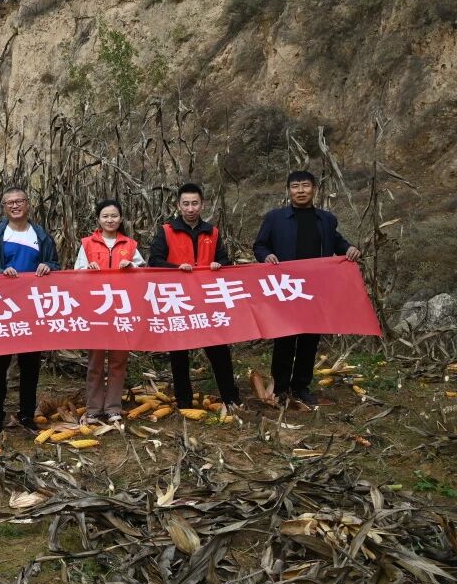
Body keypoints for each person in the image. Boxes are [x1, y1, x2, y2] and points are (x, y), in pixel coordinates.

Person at [253, 170, 361, 406]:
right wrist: (266, 255)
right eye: (295, 186)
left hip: (316, 290)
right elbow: (260, 245)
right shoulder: (275, 218)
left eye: (305, 186)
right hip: (286, 288)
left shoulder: (326, 219)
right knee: (284, 340)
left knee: (309, 341)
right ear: (288, 191)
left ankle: (301, 386)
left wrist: (349, 249)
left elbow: (336, 241)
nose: (300, 191)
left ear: (315, 189)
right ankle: (280, 387)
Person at [148, 183, 241, 410]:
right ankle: (184, 401)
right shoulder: (167, 231)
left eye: (195, 203)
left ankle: (231, 398)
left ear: (202, 205)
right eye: (186, 204)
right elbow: (155, 261)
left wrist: (220, 264)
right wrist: (176, 269)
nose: (191, 208)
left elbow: (225, 259)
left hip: (206, 299)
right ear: (178, 205)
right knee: (179, 353)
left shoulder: (212, 232)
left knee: (219, 349)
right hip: (178, 300)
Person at [0, 186, 59, 433]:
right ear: (3, 207)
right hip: (3, 308)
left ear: (27, 204)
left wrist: (48, 266)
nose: (15, 205)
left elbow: (55, 264)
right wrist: (1, 272)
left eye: (19, 201)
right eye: (9, 202)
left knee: (30, 365)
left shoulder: (41, 235)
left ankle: (26, 414)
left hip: (32, 308)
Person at [74, 200, 145, 425]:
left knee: (118, 360)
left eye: (114, 216)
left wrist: (131, 267)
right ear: (98, 219)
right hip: (96, 309)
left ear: (121, 219)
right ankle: (94, 408)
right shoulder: (87, 244)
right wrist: (88, 270)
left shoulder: (130, 244)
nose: (110, 220)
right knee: (95, 361)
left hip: (122, 310)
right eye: (105, 216)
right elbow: (76, 273)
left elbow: (143, 272)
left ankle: (113, 407)